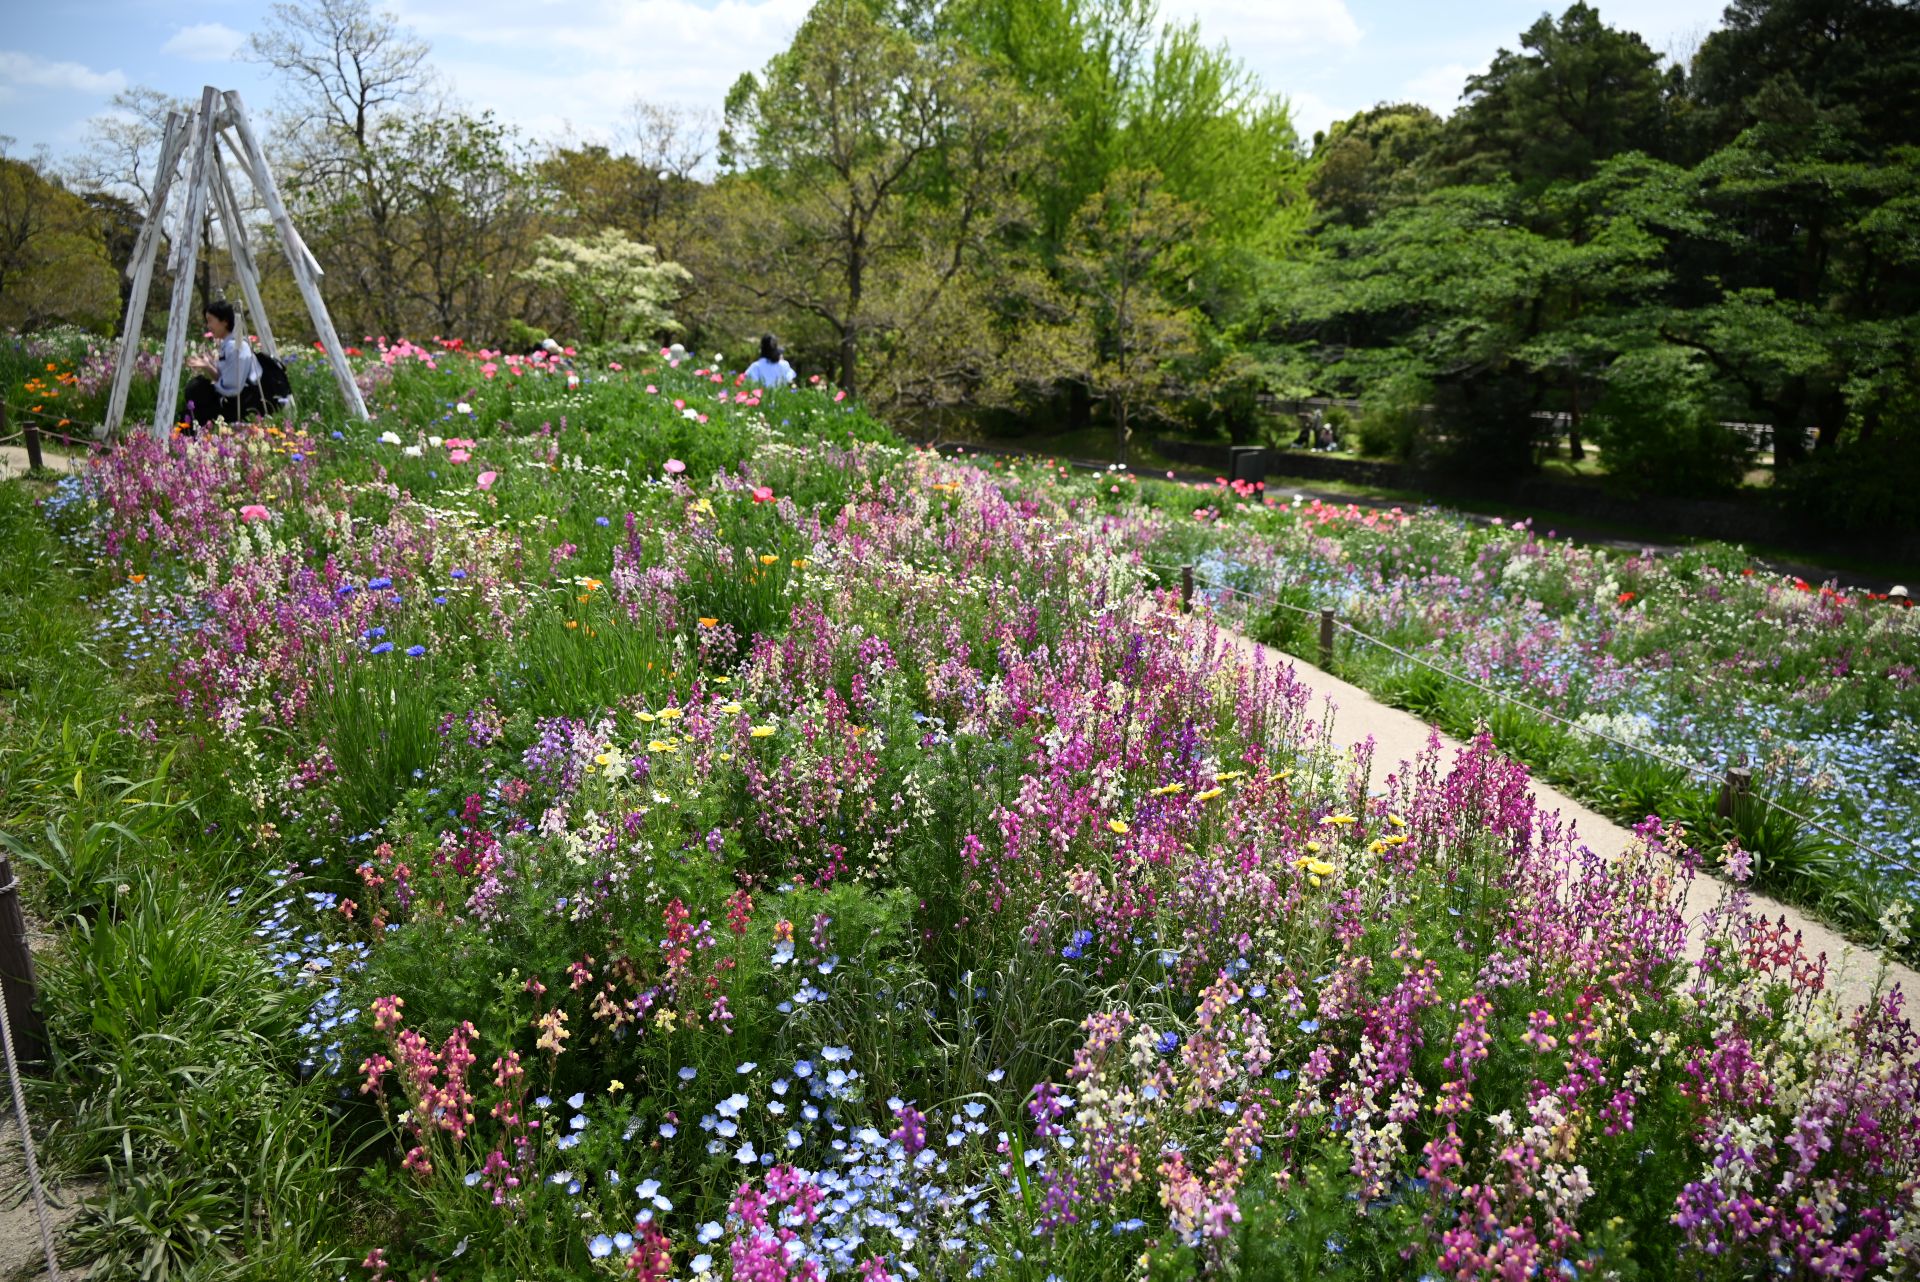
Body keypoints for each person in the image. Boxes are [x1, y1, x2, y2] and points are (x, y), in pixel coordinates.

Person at [181, 300, 264, 431]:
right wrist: (208, 365)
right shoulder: (230, 344)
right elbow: (225, 378)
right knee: (195, 397)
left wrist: (208, 368)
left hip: (238, 405)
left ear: (224, 321)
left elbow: (231, 387)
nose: (208, 326)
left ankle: (188, 437)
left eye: (210, 320)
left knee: (197, 390)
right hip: (235, 401)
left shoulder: (235, 347)